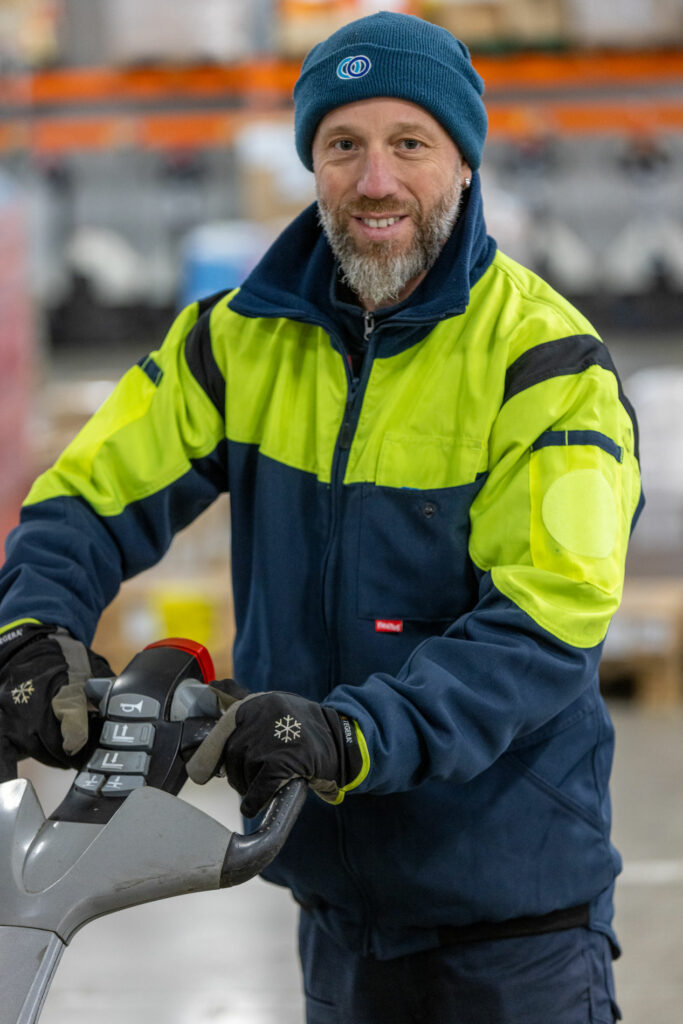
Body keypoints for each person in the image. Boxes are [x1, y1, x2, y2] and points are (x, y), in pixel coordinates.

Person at [0, 12, 641, 1023]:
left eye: (408, 144)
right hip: (332, 915)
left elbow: (542, 628)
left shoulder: (544, 368)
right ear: (313, 164)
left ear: (463, 162)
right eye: (342, 145)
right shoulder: (238, 342)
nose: (374, 180)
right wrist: (28, 629)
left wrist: (348, 736)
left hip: (512, 927)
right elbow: (88, 494)